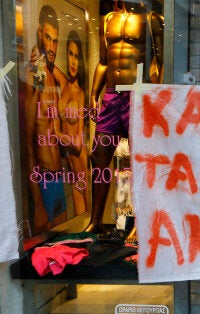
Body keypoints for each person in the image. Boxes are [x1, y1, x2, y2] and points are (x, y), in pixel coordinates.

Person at [87, 0, 164, 234]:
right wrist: (93, 94)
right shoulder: (109, 19)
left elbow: (161, 62)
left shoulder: (152, 19)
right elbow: (103, 61)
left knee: (139, 160)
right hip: (111, 95)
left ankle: (139, 225)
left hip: (137, 94)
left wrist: (153, 96)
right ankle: (96, 222)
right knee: (99, 157)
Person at [24, 4, 65, 233]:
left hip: (59, 177)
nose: (52, 46)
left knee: (67, 247)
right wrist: (38, 203)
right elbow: (28, 143)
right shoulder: (35, 76)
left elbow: (68, 84)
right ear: (39, 32)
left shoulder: (49, 75)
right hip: (44, 183)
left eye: (55, 41)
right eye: (47, 38)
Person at [52, 30, 88, 215]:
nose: (73, 61)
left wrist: (58, 135)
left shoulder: (80, 93)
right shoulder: (64, 85)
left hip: (80, 159)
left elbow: (78, 142)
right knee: (80, 220)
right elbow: (48, 62)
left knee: (89, 215)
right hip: (71, 165)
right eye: (70, 54)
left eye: (77, 56)